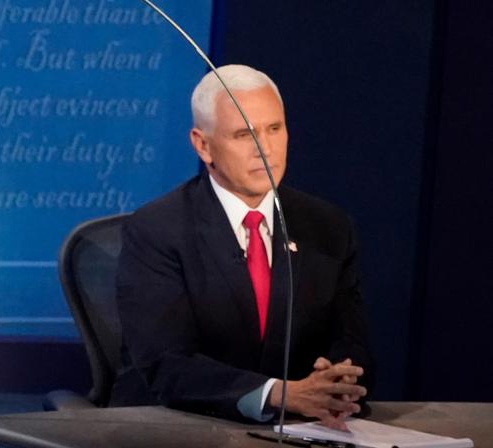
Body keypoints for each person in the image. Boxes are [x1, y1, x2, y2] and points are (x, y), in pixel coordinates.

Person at [112, 64, 374, 428]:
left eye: (274, 129)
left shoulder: (328, 227)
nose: (264, 149)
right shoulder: (158, 230)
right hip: (175, 433)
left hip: (298, 433)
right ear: (203, 145)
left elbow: (352, 341)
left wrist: (340, 383)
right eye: (243, 134)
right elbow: (167, 364)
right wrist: (279, 393)